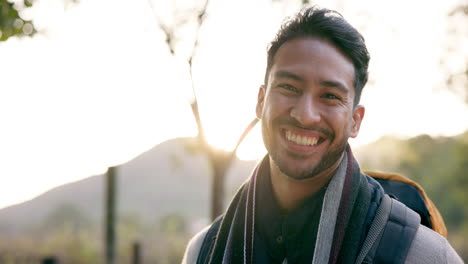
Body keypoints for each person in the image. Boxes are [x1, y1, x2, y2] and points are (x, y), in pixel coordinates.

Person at [182, 6, 463, 264]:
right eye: (289, 87)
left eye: (330, 96)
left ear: (355, 121)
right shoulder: (204, 251)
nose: (305, 115)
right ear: (260, 100)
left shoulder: (423, 254)